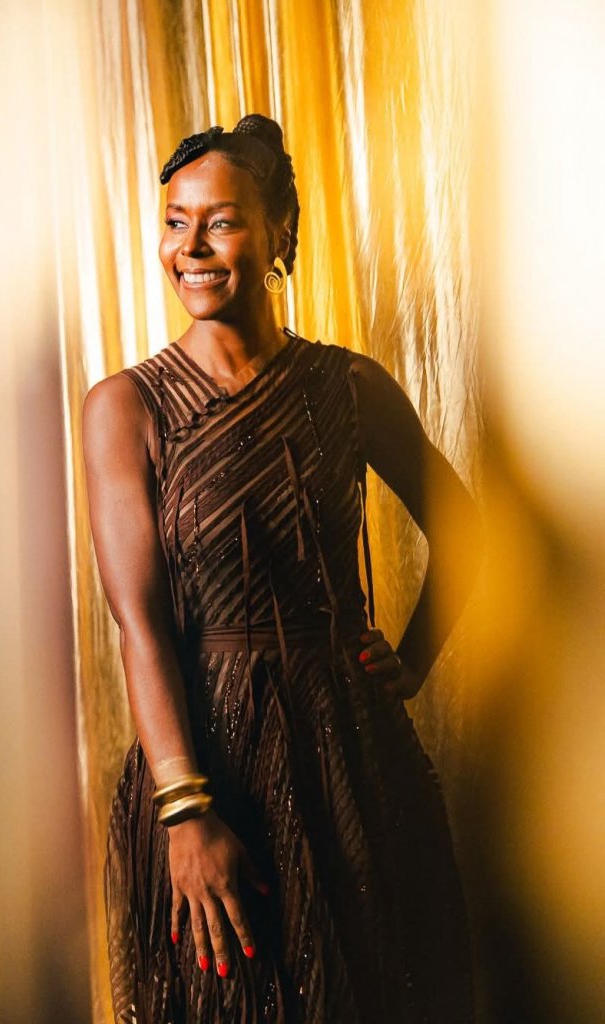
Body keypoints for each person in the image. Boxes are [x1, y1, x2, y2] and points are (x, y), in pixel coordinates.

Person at [82, 113, 481, 1023]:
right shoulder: (126, 408)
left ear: (278, 234)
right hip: (211, 766)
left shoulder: (350, 387)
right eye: (175, 222)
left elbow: (466, 531)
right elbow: (140, 625)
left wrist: (412, 660)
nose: (190, 248)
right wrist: (185, 811)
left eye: (220, 222)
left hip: (353, 758)